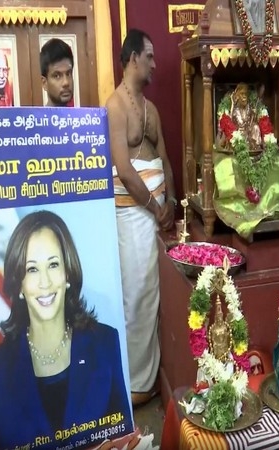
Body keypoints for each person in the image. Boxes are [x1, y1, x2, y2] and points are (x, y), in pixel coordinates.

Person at [0, 210, 132, 450]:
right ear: (19, 284)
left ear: (67, 273)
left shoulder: (106, 343)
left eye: (53, 265)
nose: (45, 282)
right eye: (32, 269)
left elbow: (124, 440)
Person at [106, 28, 175, 407]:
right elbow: (125, 170)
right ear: (132, 57)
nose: (153, 62)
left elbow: (163, 158)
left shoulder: (152, 110)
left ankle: (149, 376)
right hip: (133, 215)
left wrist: (173, 203)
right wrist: (155, 207)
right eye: (148, 55)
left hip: (158, 218)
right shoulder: (114, 107)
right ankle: (136, 382)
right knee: (135, 298)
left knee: (155, 297)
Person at [40, 38, 74, 107]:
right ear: (44, 83)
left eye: (68, 74)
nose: (66, 82)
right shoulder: (37, 118)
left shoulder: (82, 117)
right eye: (57, 76)